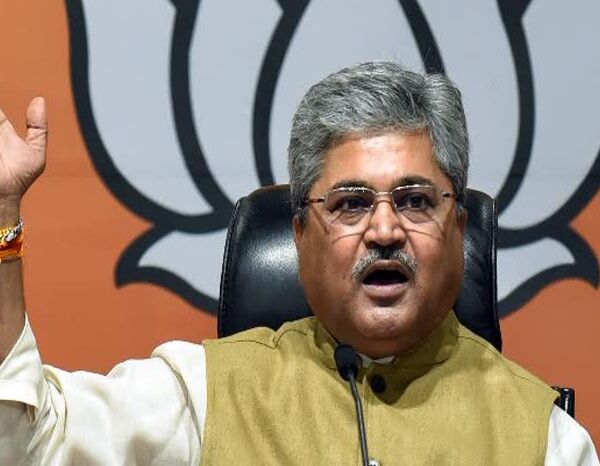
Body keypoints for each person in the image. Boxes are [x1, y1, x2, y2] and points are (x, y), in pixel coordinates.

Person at [0, 62, 597, 464]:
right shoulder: (204, 395)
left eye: (415, 201)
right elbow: (26, 445)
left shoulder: (545, 440)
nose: (384, 230)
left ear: (458, 227)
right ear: (300, 235)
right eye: (351, 204)